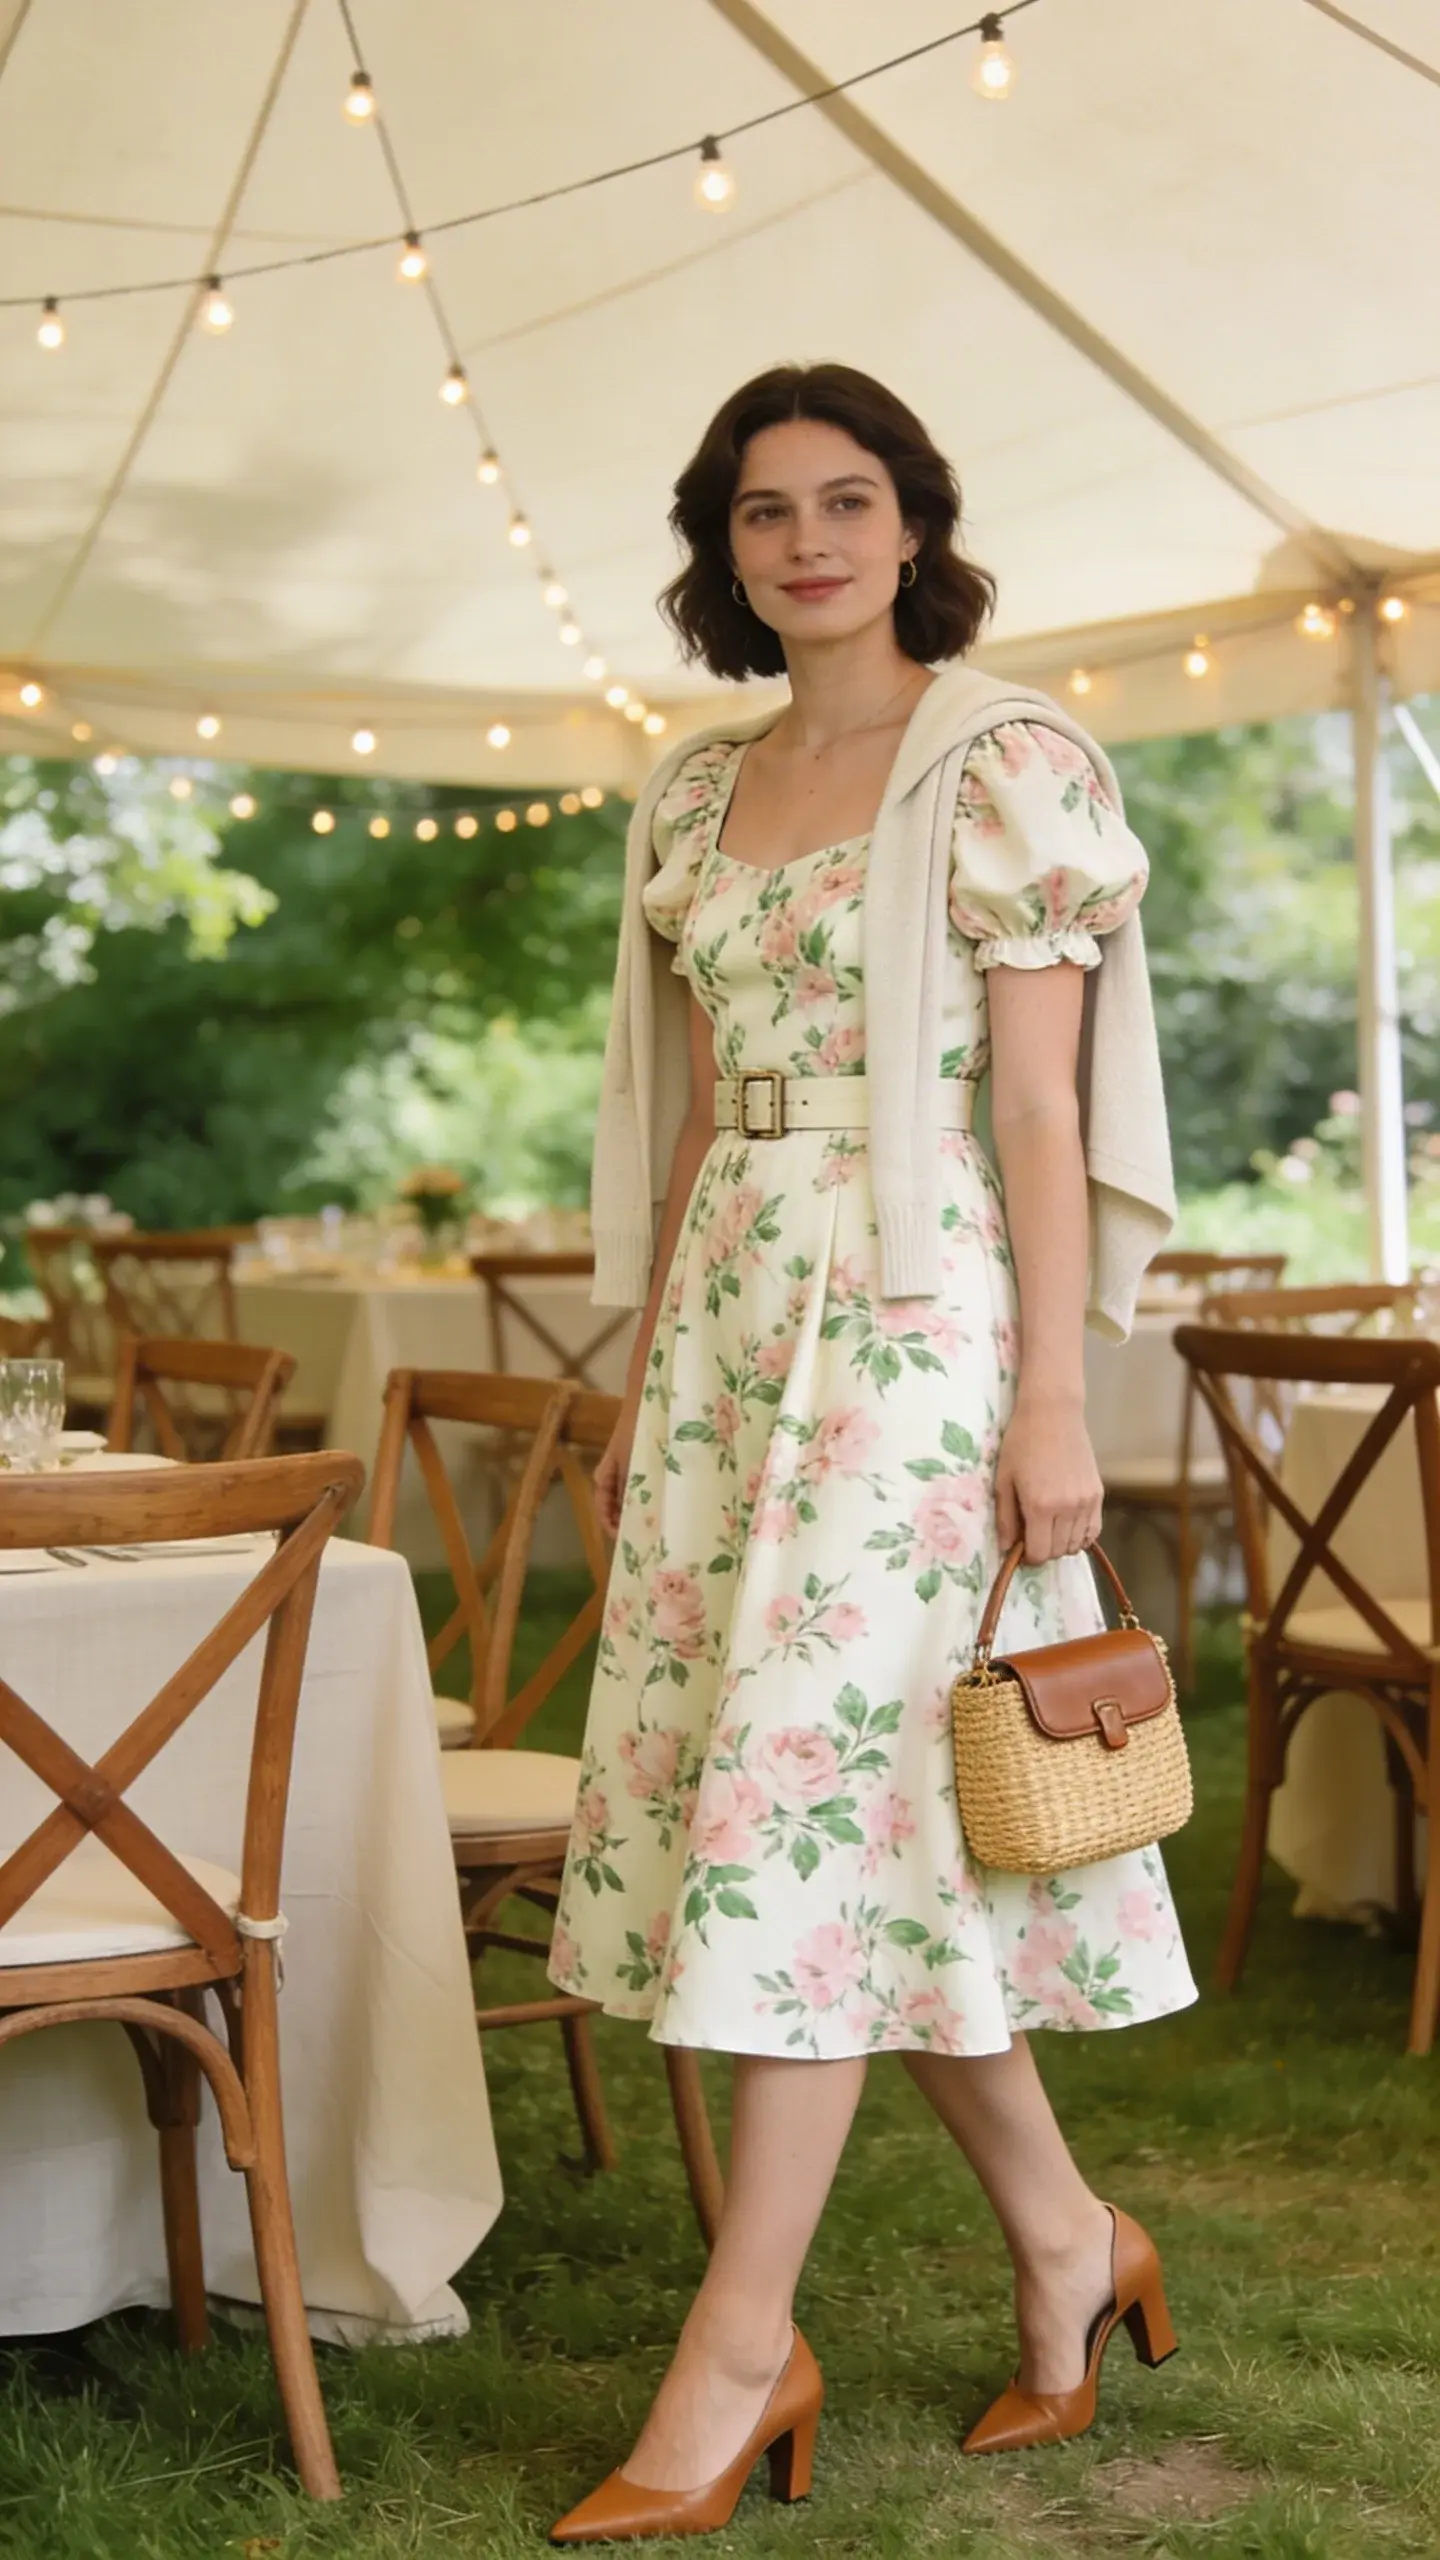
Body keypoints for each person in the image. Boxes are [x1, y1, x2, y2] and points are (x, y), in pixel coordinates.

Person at [547, 362, 1196, 2545]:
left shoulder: (1002, 765)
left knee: (799, 1823)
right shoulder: (695, 785)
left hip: (919, 1322)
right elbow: (691, 1101)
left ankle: (741, 2345)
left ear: (913, 524)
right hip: (741, 1306)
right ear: (722, 548)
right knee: (859, 1825)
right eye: (761, 511)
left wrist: (1050, 1404)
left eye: (847, 499)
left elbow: (1037, 1106)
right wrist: (649, 1357)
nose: (806, 540)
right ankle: (1067, 2241)